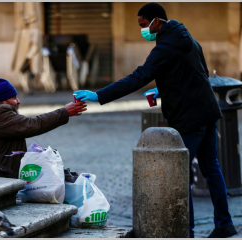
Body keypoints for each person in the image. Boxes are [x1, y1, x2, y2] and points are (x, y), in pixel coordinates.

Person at [74, 2, 237, 238]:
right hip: (208, 112)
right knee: (212, 169)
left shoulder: (164, 48)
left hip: (189, 119)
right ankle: (225, 224)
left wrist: (99, 95)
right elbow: (196, 72)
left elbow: (138, 77)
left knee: (179, 175)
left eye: (144, 25)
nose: (143, 30)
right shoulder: (188, 39)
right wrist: (164, 89)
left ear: (156, 22)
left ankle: (186, 231)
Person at [0, 77, 86, 179]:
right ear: (4, 101)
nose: (18, 102)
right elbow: (32, 125)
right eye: (14, 98)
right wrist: (64, 112)